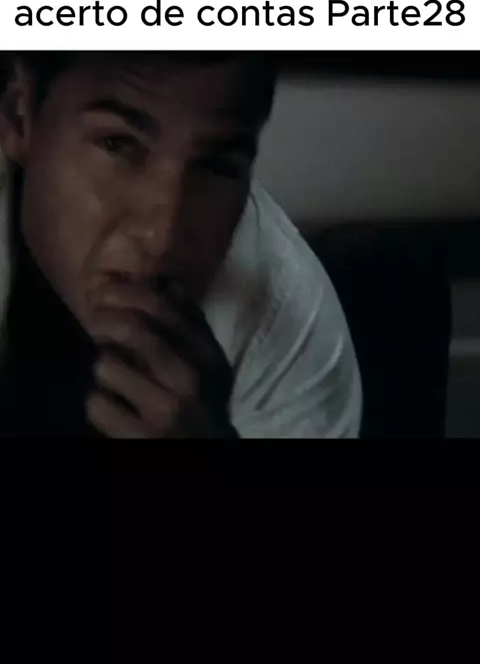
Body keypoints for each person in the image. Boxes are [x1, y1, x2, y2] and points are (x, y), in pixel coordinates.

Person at [0, 51, 361, 438]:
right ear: (20, 114)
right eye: (118, 144)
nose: (162, 238)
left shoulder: (288, 334)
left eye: (217, 164)